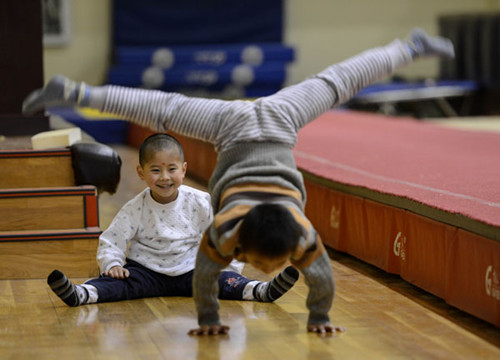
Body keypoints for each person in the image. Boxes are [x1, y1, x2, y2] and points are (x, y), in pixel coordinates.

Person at [24, 28, 455, 335]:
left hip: (254, 122)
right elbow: (308, 281)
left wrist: (313, 316)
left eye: (265, 268)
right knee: (340, 79)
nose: (264, 268)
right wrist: (310, 316)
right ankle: (411, 45)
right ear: (242, 247)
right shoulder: (235, 227)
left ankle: (76, 91)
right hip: (255, 122)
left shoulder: (271, 232)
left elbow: (219, 280)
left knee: (160, 107)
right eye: (264, 266)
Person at [47, 133, 299, 307]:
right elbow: (112, 239)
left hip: (192, 269)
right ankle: (82, 294)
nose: (164, 177)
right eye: (155, 170)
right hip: (146, 271)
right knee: (117, 284)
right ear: (141, 173)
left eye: (172, 169)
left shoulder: (201, 202)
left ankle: (259, 291)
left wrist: (228, 268)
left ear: (184, 170)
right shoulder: (135, 207)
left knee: (223, 282)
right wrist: (112, 263)